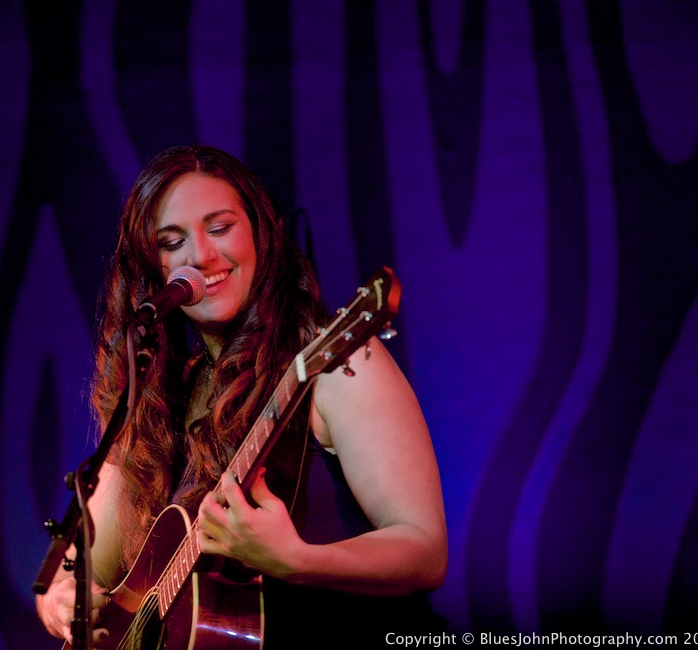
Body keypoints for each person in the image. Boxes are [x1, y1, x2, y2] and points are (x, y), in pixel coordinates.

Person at [36, 145, 447, 647]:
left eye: (220, 227)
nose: (201, 257)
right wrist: (60, 595)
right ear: (153, 270)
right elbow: (76, 568)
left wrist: (298, 561)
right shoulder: (157, 400)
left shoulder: (332, 360)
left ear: (260, 233)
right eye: (172, 242)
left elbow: (425, 552)